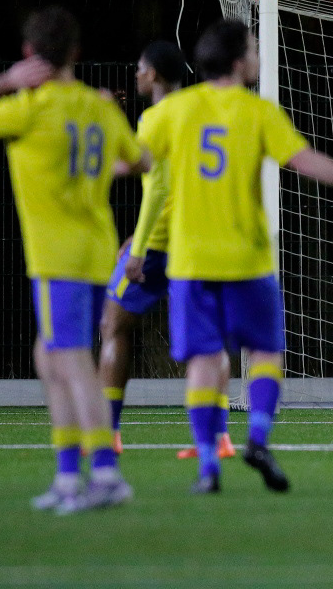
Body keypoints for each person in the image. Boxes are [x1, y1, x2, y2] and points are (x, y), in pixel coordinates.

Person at [135, 19, 333, 494]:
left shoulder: (171, 112)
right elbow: (307, 163)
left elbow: (132, 163)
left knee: (203, 360)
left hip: (191, 259)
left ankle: (208, 467)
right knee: (265, 352)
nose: (259, 54)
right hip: (247, 258)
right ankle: (257, 438)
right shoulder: (258, 112)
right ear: (241, 61)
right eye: (255, 47)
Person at [0, 6, 151, 513]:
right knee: (47, 354)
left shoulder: (32, 106)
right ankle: (66, 479)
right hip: (97, 249)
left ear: (29, 54)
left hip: (58, 256)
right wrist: (94, 169)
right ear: (76, 53)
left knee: (71, 359)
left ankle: (104, 473)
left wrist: (4, 81)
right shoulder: (99, 106)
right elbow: (141, 161)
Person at [99, 41, 235, 461]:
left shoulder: (157, 117)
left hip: (157, 242)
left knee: (113, 325)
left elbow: (153, 182)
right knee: (209, 340)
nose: (136, 75)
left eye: (140, 68)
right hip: (197, 237)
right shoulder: (202, 112)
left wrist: (138, 246)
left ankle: (108, 432)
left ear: (153, 75)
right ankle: (219, 436)